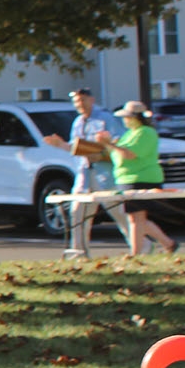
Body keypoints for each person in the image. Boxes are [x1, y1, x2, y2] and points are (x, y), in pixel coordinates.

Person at [41, 89, 122, 259]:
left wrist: (101, 151)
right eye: (77, 101)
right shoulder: (78, 122)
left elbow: (118, 143)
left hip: (104, 174)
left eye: (83, 100)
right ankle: (79, 253)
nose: (80, 104)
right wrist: (60, 145)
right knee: (77, 212)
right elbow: (76, 147)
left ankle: (143, 244)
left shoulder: (105, 118)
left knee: (117, 211)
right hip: (84, 173)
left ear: (92, 99)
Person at [96, 101, 179, 256]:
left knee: (135, 219)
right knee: (137, 218)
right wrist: (107, 144)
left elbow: (130, 154)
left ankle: (135, 254)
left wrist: (110, 144)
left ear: (136, 117)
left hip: (141, 179)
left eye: (127, 117)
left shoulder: (145, 132)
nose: (124, 120)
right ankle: (168, 243)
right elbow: (117, 153)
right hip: (126, 179)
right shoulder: (130, 133)